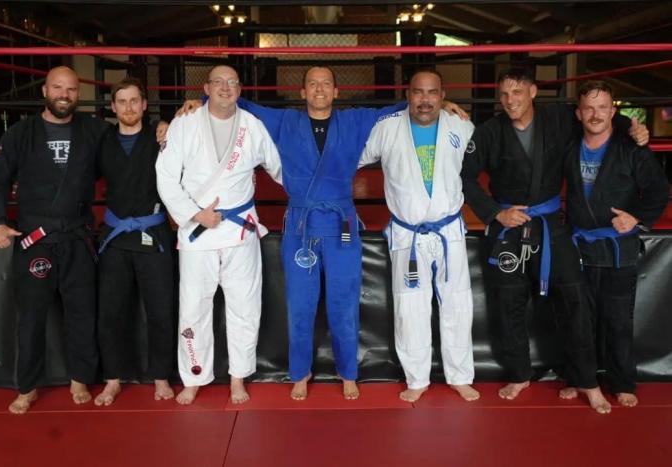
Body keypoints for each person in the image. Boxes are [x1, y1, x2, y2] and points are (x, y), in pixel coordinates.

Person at [179, 66, 465, 400]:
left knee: (344, 304)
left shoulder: (354, 121)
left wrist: (440, 104)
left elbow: (395, 108)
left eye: (326, 84)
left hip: (342, 226)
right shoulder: (285, 122)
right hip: (301, 226)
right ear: (302, 93)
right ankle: (300, 373)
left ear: (336, 91)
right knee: (300, 305)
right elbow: (243, 104)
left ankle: (348, 373)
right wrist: (200, 100)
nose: (319, 89)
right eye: (312, 84)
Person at [460, 67, 648, 414]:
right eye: (504, 94)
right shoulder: (489, 132)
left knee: (575, 300)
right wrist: (495, 213)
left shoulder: (558, 118)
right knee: (509, 303)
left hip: (550, 224)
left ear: (533, 92)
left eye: (518, 92)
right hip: (508, 228)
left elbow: (597, 117)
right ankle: (519, 375)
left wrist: (631, 128)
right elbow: (467, 178)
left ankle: (587, 381)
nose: (510, 101)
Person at [156, 65, 282, 405]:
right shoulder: (184, 125)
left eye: (232, 83)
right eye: (218, 82)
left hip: (240, 231)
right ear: (206, 88)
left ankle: (238, 377)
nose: (225, 88)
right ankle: (194, 376)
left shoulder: (252, 126)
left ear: (239, 90)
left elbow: (279, 168)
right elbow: (165, 176)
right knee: (193, 308)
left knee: (245, 307)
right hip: (198, 231)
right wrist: (195, 214)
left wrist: (315, 191)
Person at [0, 66, 108, 414]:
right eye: (57, 88)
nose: (64, 95)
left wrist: (168, 124)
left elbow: (128, 143)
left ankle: (80, 378)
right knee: (32, 317)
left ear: (77, 94)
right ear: (45, 91)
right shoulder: (21, 133)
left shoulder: (94, 130)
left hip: (77, 236)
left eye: (70, 89)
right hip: (35, 238)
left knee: (82, 312)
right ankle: (27, 386)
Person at [360, 69, 479, 403]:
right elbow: (350, 158)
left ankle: (460, 376)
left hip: (448, 230)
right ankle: (416, 378)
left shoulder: (461, 127)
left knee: (458, 303)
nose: (425, 100)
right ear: (407, 95)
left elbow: (485, 164)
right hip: (407, 233)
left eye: (432, 93)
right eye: (418, 92)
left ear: (442, 96)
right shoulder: (386, 128)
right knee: (409, 306)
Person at [562, 80, 668, 407]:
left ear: (613, 111)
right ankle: (580, 379)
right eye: (589, 108)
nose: (595, 115)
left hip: (618, 247)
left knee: (618, 320)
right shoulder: (569, 144)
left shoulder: (631, 148)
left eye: (603, 108)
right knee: (579, 320)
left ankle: (622, 382)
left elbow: (659, 190)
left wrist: (635, 218)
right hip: (579, 247)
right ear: (579, 113)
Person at [94, 77, 176, 406]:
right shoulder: (101, 140)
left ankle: (161, 376)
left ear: (144, 104)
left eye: (134, 101)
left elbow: (196, 117)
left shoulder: (162, 137)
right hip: (115, 237)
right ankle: (113, 379)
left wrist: (170, 121)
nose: (128, 107)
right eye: (122, 101)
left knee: (160, 310)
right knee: (110, 311)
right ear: (113, 107)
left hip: (153, 234)